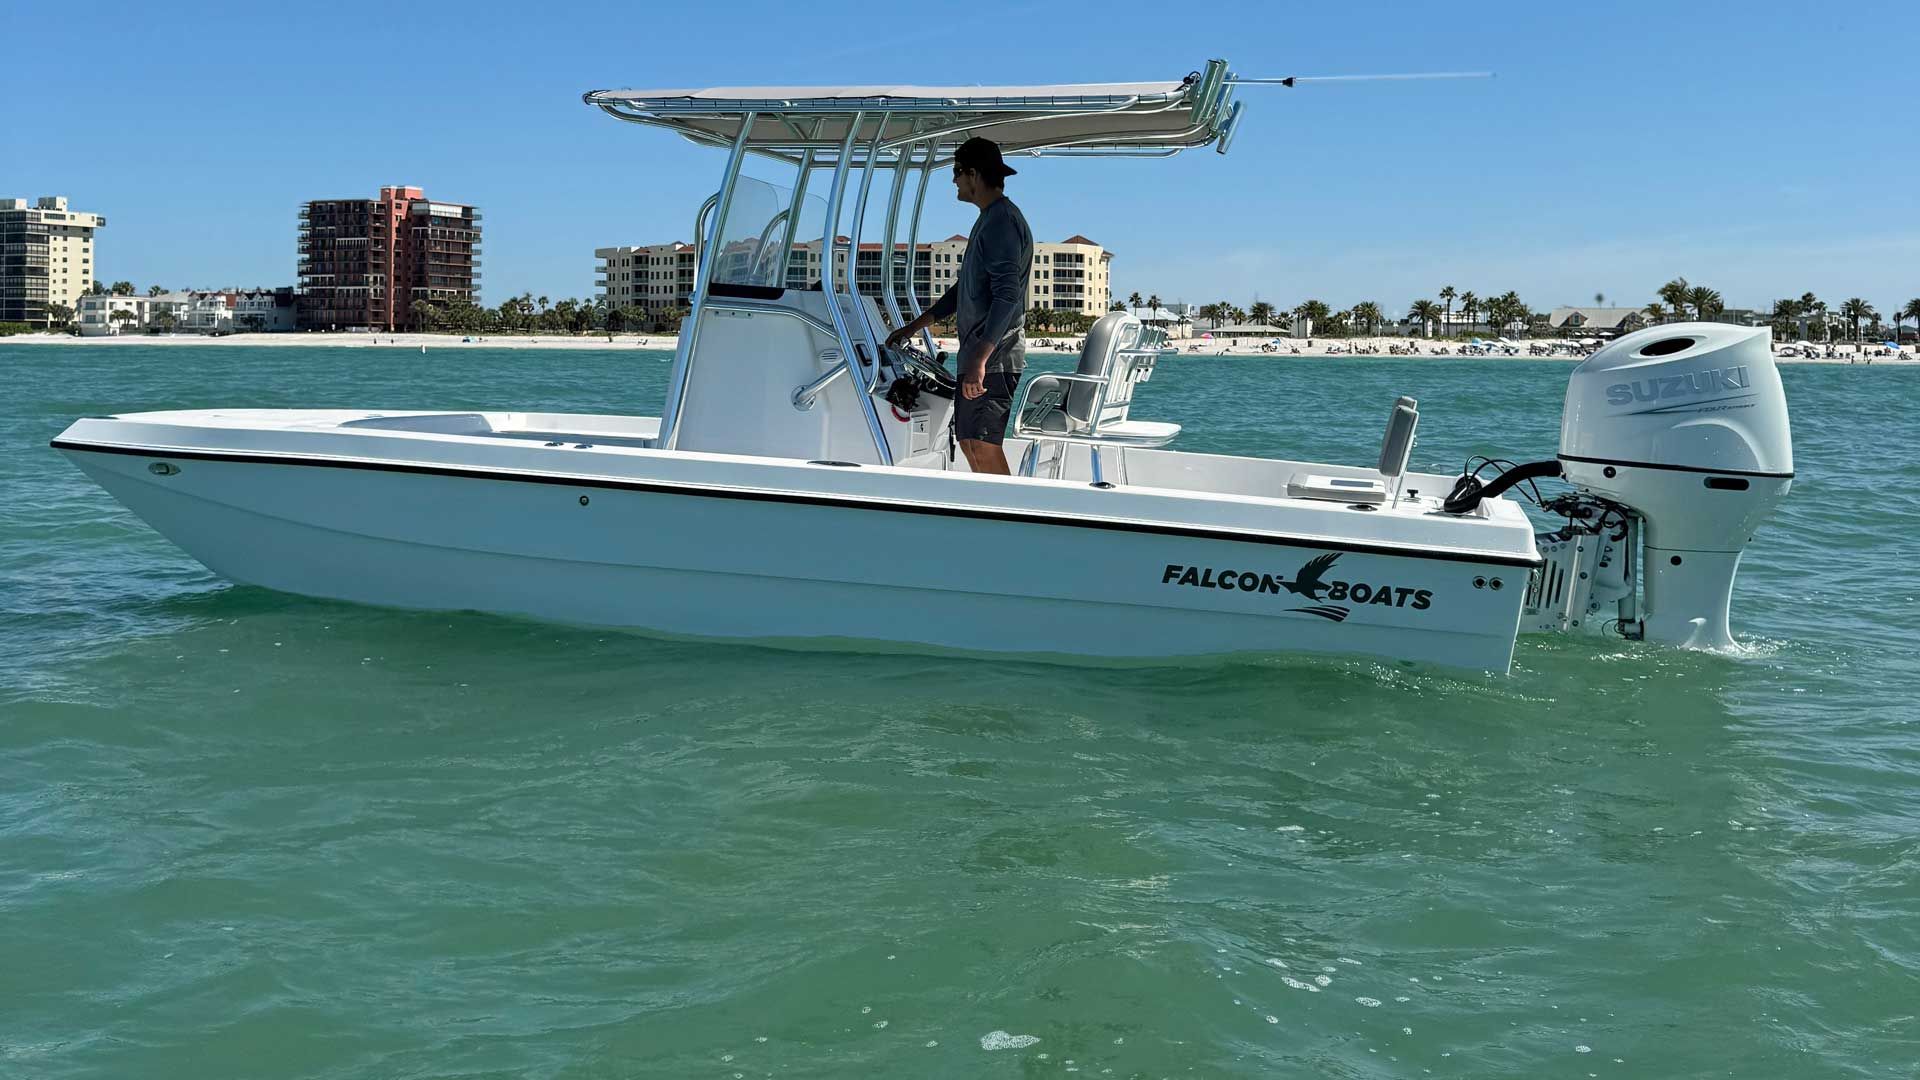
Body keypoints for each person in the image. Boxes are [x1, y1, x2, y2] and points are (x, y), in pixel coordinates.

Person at [886, 137, 1032, 475]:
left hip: (992, 360)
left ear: (974, 174)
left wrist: (980, 359)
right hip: (981, 358)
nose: (953, 179)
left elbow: (1008, 296)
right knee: (968, 442)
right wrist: (914, 326)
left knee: (981, 444)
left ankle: (1008, 523)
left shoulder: (1000, 222)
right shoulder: (989, 219)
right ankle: (994, 520)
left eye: (956, 172)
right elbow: (962, 291)